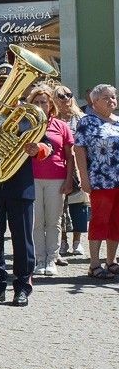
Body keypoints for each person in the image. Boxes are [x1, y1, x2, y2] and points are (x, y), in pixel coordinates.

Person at [0, 71, 50, 308]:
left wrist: (38, 148)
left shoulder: (29, 115)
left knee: (22, 240)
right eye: (0, 84)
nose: (4, 89)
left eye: (8, 84)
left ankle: (22, 286)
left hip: (20, 185)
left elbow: (48, 144)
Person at [27, 85, 76, 276]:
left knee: (54, 221)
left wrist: (69, 180)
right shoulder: (25, 123)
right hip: (31, 177)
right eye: (36, 102)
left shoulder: (61, 125)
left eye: (43, 102)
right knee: (36, 221)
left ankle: (52, 259)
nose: (40, 105)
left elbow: (69, 156)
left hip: (57, 177)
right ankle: (40, 259)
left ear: (50, 105)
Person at [73, 84, 119, 280]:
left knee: (116, 222)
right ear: (95, 102)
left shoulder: (118, 121)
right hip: (100, 180)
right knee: (100, 221)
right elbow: (79, 150)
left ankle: (111, 261)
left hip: (118, 180)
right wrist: (84, 178)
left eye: (113, 97)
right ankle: (94, 264)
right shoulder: (87, 122)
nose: (111, 100)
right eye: (106, 98)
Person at [54, 85, 87, 257]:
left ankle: (77, 241)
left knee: (79, 205)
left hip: (78, 166)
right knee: (60, 206)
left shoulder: (81, 118)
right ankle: (63, 241)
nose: (65, 98)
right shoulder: (51, 119)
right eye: (61, 95)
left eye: (69, 95)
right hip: (59, 166)